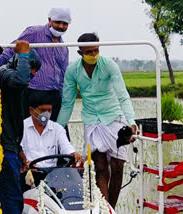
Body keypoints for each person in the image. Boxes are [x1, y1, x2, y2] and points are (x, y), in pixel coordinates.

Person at [56, 33, 137, 209]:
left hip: (113, 117)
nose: (93, 55)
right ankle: (104, 207)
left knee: (117, 166)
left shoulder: (109, 65)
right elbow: (68, 102)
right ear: (80, 53)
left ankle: (111, 209)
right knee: (98, 166)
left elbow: (123, 96)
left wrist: (131, 122)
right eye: (89, 52)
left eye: (96, 50)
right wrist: (58, 128)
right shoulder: (73, 70)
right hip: (92, 120)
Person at [0, 41, 42, 214]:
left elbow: (12, 119)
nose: (33, 73)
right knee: (12, 197)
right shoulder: (8, 75)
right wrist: (24, 54)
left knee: (13, 194)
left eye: (35, 70)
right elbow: (21, 80)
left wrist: (18, 148)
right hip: (3, 147)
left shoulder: (9, 77)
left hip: (10, 144)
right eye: (31, 67)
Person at [0, 7, 71, 123]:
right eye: (58, 22)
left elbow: (63, 74)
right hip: (32, 92)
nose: (61, 26)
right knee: (29, 131)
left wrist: (62, 97)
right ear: (49, 20)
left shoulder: (64, 47)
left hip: (54, 95)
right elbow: (12, 49)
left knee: (55, 132)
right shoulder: (34, 33)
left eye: (65, 23)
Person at [20, 91, 82, 173]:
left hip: (52, 176)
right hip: (29, 174)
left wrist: (73, 154)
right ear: (31, 110)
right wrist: (26, 163)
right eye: (42, 110)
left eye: (49, 110)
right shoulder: (21, 128)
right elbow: (19, 152)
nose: (46, 114)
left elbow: (66, 147)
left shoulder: (57, 129)